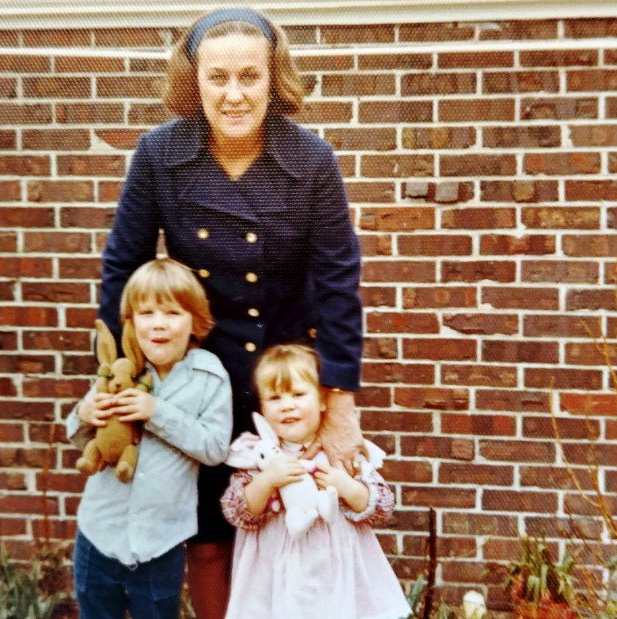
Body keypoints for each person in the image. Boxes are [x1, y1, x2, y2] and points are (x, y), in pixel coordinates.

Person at [96, 7, 367, 617]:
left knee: (297, 522)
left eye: (250, 76)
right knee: (211, 536)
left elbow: (337, 283)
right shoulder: (160, 155)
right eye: (218, 78)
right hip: (201, 382)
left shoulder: (312, 160)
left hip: (286, 378)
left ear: (275, 79)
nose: (235, 94)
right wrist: (119, 377)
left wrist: (341, 401)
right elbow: (123, 267)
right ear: (194, 82)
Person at [67, 258, 232, 619]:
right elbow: (81, 439)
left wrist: (156, 412)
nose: (159, 323)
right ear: (131, 322)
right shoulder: (118, 369)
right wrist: (83, 416)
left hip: (161, 543)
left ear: (195, 323)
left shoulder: (209, 376)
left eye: (172, 313)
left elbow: (216, 449)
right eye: (147, 313)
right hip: (99, 532)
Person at [220, 344, 409, 619]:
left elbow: (381, 506)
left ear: (322, 401)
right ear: (262, 407)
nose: (287, 405)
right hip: (276, 573)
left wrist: (345, 485)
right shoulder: (260, 455)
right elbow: (239, 511)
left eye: (298, 394)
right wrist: (268, 481)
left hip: (334, 571)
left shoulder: (339, 450)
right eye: (275, 398)